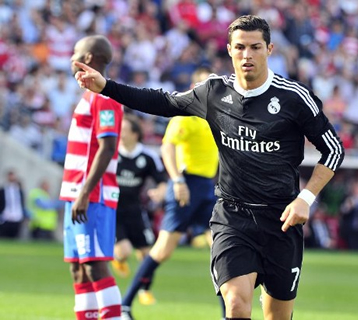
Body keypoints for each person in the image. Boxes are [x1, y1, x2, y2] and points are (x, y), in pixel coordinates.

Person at [74, 15, 344, 320]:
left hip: (281, 220)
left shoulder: (294, 98)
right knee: (237, 304)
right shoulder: (214, 92)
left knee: (277, 316)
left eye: (255, 47)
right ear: (229, 50)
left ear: (269, 49)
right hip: (233, 216)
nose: (247, 55)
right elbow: (164, 102)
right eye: (240, 47)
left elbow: (333, 149)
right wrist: (107, 86)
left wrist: (305, 198)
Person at [119, 66, 226, 319]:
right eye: (205, 82)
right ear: (195, 86)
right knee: (163, 250)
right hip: (187, 186)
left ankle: (227, 313)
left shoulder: (216, 116)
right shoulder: (186, 115)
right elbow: (167, 148)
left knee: (221, 250)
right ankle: (125, 305)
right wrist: (177, 181)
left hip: (208, 188)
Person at [60, 35, 124, 320]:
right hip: (74, 192)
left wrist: (85, 193)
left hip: (93, 195)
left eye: (76, 52)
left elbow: (108, 147)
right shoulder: (89, 96)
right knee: (78, 267)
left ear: (87, 59)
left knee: (95, 263)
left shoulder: (105, 96)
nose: (71, 57)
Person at [112, 113, 167, 306]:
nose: (120, 133)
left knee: (147, 253)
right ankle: (118, 258)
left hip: (136, 209)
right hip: (114, 210)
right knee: (125, 251)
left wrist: (160, 192)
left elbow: (162, 180)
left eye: (124, 130)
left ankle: (145, 290)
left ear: (135, 134)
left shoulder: (147, 156)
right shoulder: (111, 152)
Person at [0, 170, 28, 239]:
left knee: (15, 239)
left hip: (17, 217)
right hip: (6, 216)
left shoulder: (19, 190)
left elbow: (22, 203)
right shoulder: (3, 190)